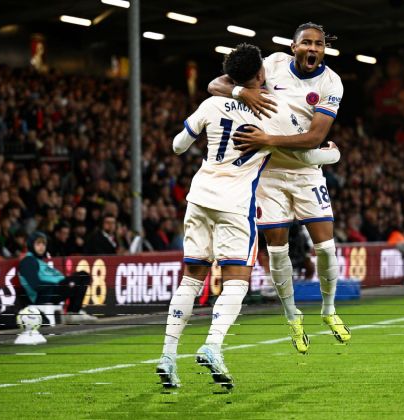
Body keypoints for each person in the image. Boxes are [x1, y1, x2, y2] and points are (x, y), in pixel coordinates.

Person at [156, 43, 339, 389]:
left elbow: (178, 146)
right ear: (260, 74)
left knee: (192, 279)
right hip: (235, 205)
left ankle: (167, 356)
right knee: (236, 280)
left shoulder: (210, 102)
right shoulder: (271, 117)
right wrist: (333, 154)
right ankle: (212, 345)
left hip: (199, 197)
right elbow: (306, 157)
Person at [208, 22, 351, 355]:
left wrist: (268, 139)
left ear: (324, 49)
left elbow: (315, 138)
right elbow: (214, 84)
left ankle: (328, 310)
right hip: (269, 175)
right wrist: (241, 91)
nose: (313, 49)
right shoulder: (269, 66)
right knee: (277, 250)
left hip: (306, 173)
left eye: (319, 44)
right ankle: (292, 317)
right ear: (293, 46)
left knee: (327, 247)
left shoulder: (331, 83)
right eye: (306, 43)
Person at [18, 232, 96, 322]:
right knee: (83, 276)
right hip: (44, 295)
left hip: (54, 290)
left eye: (43, 244)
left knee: (81, 277)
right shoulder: (28, 261)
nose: (42, 246)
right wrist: (56, 285)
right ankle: (73, 312)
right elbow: (35, 285)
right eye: (38, 243)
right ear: (31, 245)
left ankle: (74, 312)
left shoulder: (39, 261)